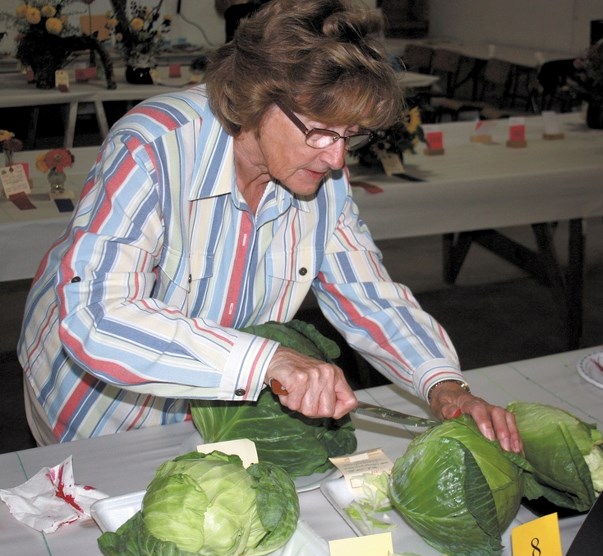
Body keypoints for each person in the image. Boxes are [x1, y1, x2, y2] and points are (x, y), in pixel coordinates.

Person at [18, 0, 522, 453]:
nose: (337, 157)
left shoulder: (322, 172)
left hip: (210, 405)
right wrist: (267, 360)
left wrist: (444, 387)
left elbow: (369, 294)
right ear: (257, 99)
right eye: (322, 132)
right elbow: (98, 316)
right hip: (91, 411)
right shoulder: (154, 147)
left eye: (352, 135)